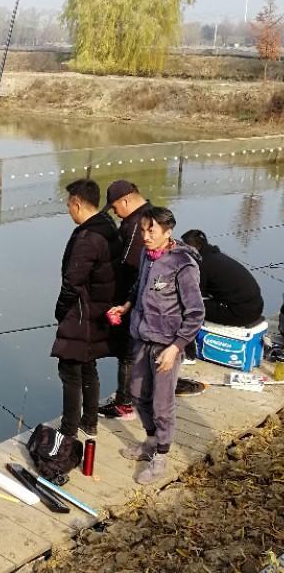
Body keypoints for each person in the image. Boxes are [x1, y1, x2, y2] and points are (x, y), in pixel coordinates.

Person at [109, 207, 204, 485]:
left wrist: (176, 347)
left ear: (168, 231)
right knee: (137, 393)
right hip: (142, 337)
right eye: (143, 230)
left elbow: (196, 313)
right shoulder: (147, 256)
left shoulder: (183, 265)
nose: (146, 236)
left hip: (167, 345)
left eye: (152, 230)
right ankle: (150, 440)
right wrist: (126, 306)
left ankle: (161, 455)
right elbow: (140, 285)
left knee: (163, 403)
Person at [51, 178, 122, 442]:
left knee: (69, 369)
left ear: (78, 203)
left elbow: (72, 281)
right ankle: (89, 421)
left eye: (69, 204)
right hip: (98, 309)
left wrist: (61, 311)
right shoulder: (107, 227)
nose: (68, 210)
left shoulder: (88, 238)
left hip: (82, 311)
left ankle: (68, 430)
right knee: (88, 364)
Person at [97, 180, 152, 420]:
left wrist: (119, 301)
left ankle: (125, 403)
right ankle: (132, 396)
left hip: (135, 297)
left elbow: (127, 266)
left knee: (128, 352)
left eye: (115, 207)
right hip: (142, 295)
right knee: (136, 351)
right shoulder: (151, 216)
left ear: (126, 201)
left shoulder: (136, 226)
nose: (116, 213)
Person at [181, 230, 264, 326]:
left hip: (242, 314)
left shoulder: (201, 265)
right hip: (257, 307)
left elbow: (196, 295)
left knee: (186, 304)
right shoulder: (215, 255)